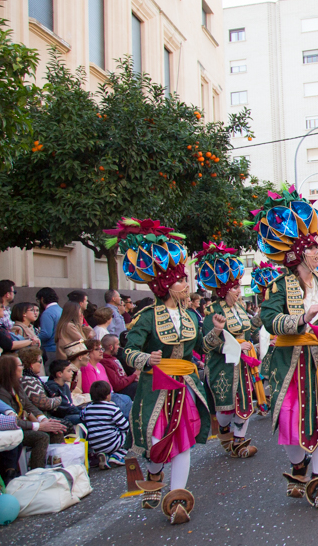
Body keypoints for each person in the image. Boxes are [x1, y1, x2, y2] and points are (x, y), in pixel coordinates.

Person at [108, 217, 220, 525]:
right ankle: (154, 475)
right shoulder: (147, 316)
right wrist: (147, 359)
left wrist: (215, 333)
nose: (186, 284)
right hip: (156, 386)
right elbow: (126, 351)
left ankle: (177, 497)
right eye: (181, 280)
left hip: (185, 384)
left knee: (182, 440)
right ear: (165, 286)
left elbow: (202, 348)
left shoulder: (190, 315)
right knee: (158, 440)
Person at [255, 189, 318, 506]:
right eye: (313, 247)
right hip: (289, 362)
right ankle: (299, 464)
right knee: (290, 421)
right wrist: (300, 318)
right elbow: (269, 319)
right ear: (298, 253)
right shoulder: (278, 285)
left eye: (317, 246)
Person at [195, 242, 265, 459]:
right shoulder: (212, 312)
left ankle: (239, 442)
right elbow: (208, 345)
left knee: (245, 403)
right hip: (222, 366)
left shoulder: (241, 308)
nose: (238, 291)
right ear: (225, 290)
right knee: (225, 408)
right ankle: (224, 430)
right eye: (235, 288)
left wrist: (262, 318)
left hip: (244, 363)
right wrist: (236, 345)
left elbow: (250, 330)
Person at [0, 355, 67, 472]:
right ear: (10, 369)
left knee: (56, 429)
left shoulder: (16, 385)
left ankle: (57, 469)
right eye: (20, 365)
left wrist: (43, 420)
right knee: (41, 437)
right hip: (11, 429)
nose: (23, 367)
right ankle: (37, 473)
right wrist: (39, 426)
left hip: (24, 424)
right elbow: (11, 421)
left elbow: (28, 405)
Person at [77, 338, 132, 418]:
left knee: (126, 398)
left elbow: (110, 387)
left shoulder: (100, 365)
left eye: (101, 349)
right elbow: (90, 390)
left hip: (109, 395)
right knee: (124, 400)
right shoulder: (87, 367)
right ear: (88, 353)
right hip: (100, 399)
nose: (101, 351)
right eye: (97, 349)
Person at [81, 380, 130, 469]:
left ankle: (104, 456)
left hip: (95, 445)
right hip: (111, 443)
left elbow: (83, 417)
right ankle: (116, 456)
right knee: (129, 436)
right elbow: (125, 426)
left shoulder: (87, 409)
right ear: (107, 396)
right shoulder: (113, 408)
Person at [44, 359, 83, 425]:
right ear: (59, 374)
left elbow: (70, 405)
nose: (72, 373)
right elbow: (60, 409)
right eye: (69, 371)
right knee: (85, 417)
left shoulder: (65, 386)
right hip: (61, 416)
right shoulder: (52, 387)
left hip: (70, 412)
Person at [99, 334, 138, 399]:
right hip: (120, 392)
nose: (119, 347)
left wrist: (134, 378)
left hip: (126, 385)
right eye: (117, 344)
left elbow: (123, 377)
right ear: (111, 347)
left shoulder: (114, 358)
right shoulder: (105, 362)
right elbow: (117, 386)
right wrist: (134, 376)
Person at [36, 288, 62, 359]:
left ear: (42, 299)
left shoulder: (47, 313)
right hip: (60, 348)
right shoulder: (61, 310)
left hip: (50, 349)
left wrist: (34, 338)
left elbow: (46, 334)